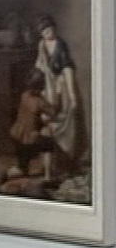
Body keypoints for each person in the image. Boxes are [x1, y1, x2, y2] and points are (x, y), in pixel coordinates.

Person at [34, 14, 78, 177]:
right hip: (47, 86)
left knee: (63, 119)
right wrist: (40, 87)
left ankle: (65, 163)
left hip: (61, 86)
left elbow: (67, 69)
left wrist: (72, 95)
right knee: (47, 121)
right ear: (41, 33)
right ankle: (50, 167)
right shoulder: (41, 45)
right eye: (45, 31)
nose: (49, 33)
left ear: (55, 29)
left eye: (51, 30)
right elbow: (39, 66)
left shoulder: (61, 45)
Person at [8, 68, 55, 180]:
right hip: (29, 139)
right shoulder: (40, 101)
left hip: (16, 136)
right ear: (42, 86)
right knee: (49, 145)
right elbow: (52, 112)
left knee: (22, 168)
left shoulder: (24, 95)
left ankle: (9, 173)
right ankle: (47, 176)